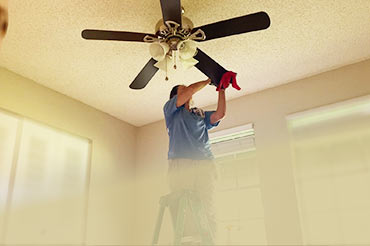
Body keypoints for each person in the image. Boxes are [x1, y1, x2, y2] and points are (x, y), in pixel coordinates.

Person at [163, 78, 226, 244]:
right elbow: (191, 90)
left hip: (205, 162)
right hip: (181, 163)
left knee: (207, 203)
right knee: (183, 204)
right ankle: (187, 241)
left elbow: (220, 114)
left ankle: (210, 240)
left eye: (187, 91)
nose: (187, 92)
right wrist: (209, 80)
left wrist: (221, 89)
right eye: (182, 91)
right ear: (175, 98)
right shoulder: (170, 110)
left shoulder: (199, 114)